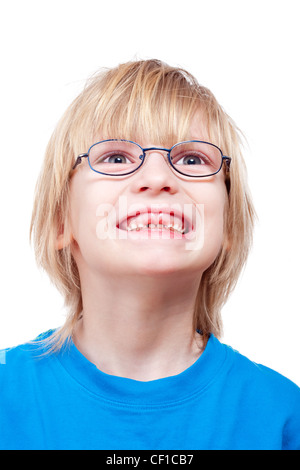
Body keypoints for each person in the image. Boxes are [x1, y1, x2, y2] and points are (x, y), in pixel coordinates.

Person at [0, 59, 299, 451]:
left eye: (192, 160)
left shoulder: (282, 416)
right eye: (116, 158)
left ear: (228, 224)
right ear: (61, 221)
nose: (158, 179)